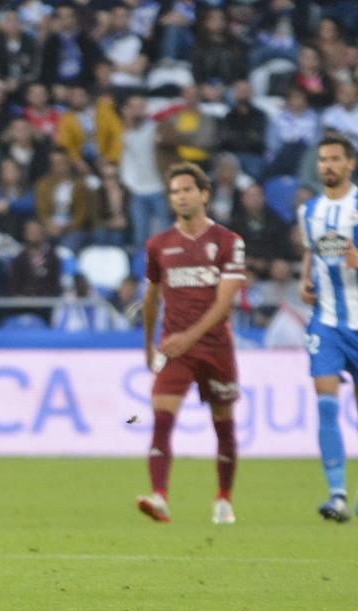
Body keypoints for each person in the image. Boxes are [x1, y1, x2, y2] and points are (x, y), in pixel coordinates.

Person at [138, 162, 247, 525]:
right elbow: (151, 297)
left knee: (223, 423)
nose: (181, 197)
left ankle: (223, 499)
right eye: (174, 192)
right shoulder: (159, 245)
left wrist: (188, 337)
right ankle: (159, 496)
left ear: (204, 194)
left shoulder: (228, 242)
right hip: (174, 350)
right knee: (161, 416)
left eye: (187, 189)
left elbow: (224, 303)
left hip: (215, 349)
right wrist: (149, 345)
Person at [298, 131, 358, 522]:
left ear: (350, 163)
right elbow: (310, 252)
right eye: (323, 159)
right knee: (324, 403)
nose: (328, 166)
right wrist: (305, 281)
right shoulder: (310, 211)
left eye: (335, 159)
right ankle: (336, 495)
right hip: (328, 322)